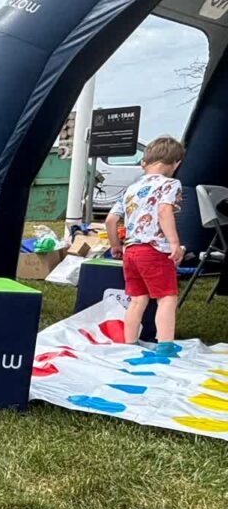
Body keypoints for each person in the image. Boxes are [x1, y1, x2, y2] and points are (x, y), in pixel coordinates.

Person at [106, 136, 186, 356]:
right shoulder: (170, 184)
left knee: (137, 299)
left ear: (144, 162)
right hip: (155, 250)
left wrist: (115, 245)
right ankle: (165, 347)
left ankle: (129, 344)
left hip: (131, 251)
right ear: (176, 163)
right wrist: (174, 243)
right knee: (167, 297)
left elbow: (111, 220)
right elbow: (164, 211)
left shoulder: (131, 188)